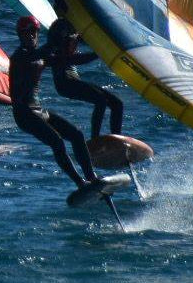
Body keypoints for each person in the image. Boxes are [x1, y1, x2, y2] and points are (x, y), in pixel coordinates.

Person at [9, 14, 101, 191]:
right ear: (20, 36)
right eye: (26, 33)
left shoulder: (41, 57)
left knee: (76, 135)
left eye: (33, 32)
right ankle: (81, 184)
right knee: (57, 142)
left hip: (38, 111)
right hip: (23, 113)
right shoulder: (20, 57)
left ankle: (92, 178)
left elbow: (70, 60)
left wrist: (98, 54)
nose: (30, 36)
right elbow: (42, 52)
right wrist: (57, 39)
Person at [45, 16, 124, 138]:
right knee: (101, 99)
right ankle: (95, 139)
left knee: (117, 104)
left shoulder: (73, 27)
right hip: (66, 84)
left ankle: (117, 140)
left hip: (74, 81)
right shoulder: (57, 51)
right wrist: (100, 53)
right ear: (63, 44)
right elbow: (77, 59)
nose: (76, 46)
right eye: (73, 42)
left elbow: (89, 39)